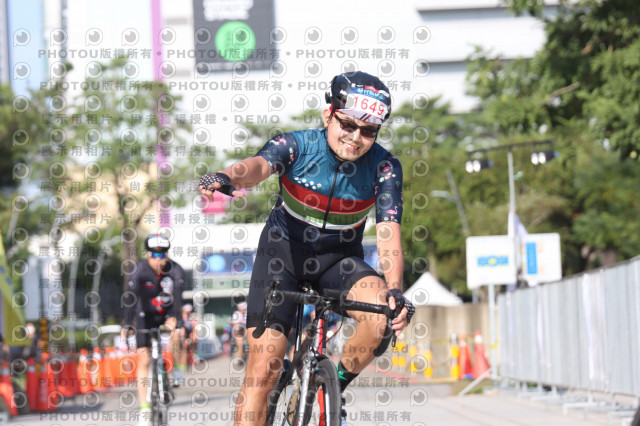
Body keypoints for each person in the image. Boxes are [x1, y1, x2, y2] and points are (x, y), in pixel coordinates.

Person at [199, 71, 415, 425]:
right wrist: (227, 176)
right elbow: (258, 166)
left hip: (338, 261)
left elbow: (389, 229)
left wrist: (394, 289)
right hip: (282, 255)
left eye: (369, 131)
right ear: (329, 115)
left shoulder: (385, 167)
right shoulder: (297, 145)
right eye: (348, 125)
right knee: (264, 368)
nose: (356, 138)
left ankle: (331, 386)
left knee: (380, 317)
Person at [122, 233, 185, 426]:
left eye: (163, 254)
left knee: (177, 334)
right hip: (145, 316)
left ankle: (177, 371)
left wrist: (175, 319)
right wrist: (127, 324)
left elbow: (178, 298)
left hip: (167, 313)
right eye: (155, 255)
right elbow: (130, 297)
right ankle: (144, 409)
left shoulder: (176, 270)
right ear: (147, 255)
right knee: (144, 358)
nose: (160, 259)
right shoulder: (139, 270)